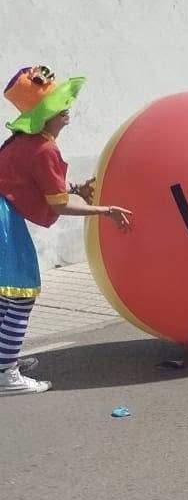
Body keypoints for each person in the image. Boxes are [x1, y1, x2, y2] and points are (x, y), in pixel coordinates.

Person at [1, 67, 132, 395]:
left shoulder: (26, 142)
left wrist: (73, 188)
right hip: (3, 221)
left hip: (5, 216)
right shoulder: (44, 149)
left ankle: (5, 358)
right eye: (59, 105)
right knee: (20, 294)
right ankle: (5, 373)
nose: (67, 108)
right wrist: (105, 211)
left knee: (7, 296)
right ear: (45, 117)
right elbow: (59, 206)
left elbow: (35, 187)